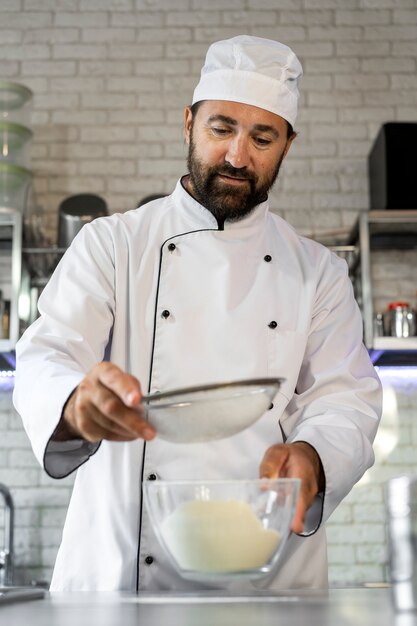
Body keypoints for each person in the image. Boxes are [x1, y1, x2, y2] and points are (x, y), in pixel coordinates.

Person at [13, 35, 382, 593]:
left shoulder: (319, 272)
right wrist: (74, 401)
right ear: (188, 123)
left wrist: (312, 455)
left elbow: (345, 399)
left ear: (288, 144)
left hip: (269, 581)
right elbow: (47, 352)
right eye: (221, 129)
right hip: (123, 580)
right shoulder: (112, 245)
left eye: (263, 137)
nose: (238, 156)